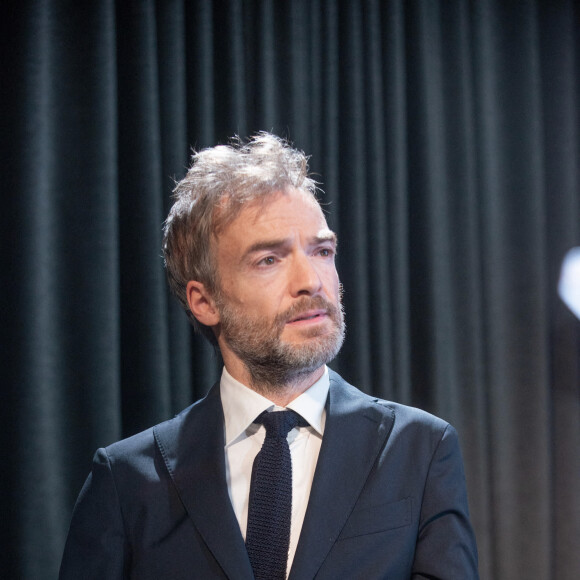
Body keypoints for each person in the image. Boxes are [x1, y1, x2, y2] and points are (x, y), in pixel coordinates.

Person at [59, 133, 479, 579]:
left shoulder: (421, 450)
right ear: (204, 301)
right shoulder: (126, 481)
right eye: (269, 260)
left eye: (322, 251)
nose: (311, 281)